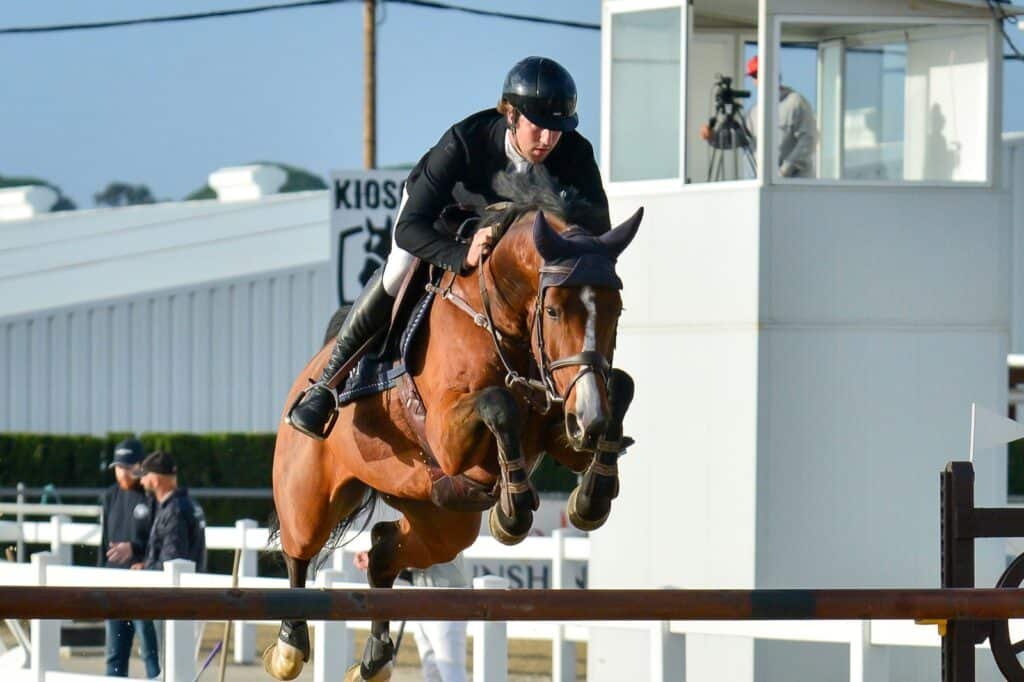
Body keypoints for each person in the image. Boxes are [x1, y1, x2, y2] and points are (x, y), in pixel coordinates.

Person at [287, 55, 611, 440]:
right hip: (441, 220)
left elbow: (596, 233)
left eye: (557, 130)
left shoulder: (575, 152)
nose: (547, 140)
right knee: (397, 270)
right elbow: (408, 229)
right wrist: (462, 255)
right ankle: (326, 385)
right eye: (538, 127)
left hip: (508, 240)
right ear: (511, 115)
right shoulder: (464, 142)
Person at [354, 551, 469, 682]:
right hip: (423, 600)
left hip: (446, 603)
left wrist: (378, 559)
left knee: (452, 674)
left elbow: (419, 557)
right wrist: (376, 559)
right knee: (431, 673)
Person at [99, 438, 160, 679]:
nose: (121, 473)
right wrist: (99, 575)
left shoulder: (150, 496)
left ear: (139, 466)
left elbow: (158, 540)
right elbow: (104, 541)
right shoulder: (110, 496)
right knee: (114, 654)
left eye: (126, 467)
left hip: (141, 584)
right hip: (114, 584)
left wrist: (135, 549)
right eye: (118, 467)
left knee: (150, 651)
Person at [701, 55, 818, 178]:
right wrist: (712, 137)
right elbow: (738, 139)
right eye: (754, 76)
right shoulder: (754, 112)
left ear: (774, 75)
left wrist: (784, 171)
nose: (758, 80)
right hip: (761, 183)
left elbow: (808, 141)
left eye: (759, 74)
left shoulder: (795, 102)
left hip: (793, 185)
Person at [137, 450, 206, 572]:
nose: (141, 481)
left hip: (177, 583)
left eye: (144, 476)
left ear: (155, 480)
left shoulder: (174, 511)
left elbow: (172, 560)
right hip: (192, 579)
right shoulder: (189, 504)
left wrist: (146, 570)